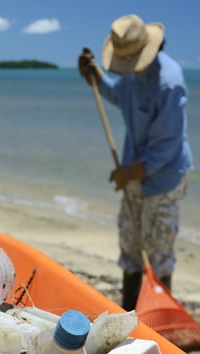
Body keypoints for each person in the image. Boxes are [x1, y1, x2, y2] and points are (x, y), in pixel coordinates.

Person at [78, 14, 193, 311]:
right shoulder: (130, 75)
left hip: (162, 180)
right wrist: (96, 78)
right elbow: (119, 95)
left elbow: (167, 145)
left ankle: (160, 316)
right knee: (130, 246)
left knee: (158, 251)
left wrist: (130, 171)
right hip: (133, 175)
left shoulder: (169, 82)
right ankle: (130, 311)